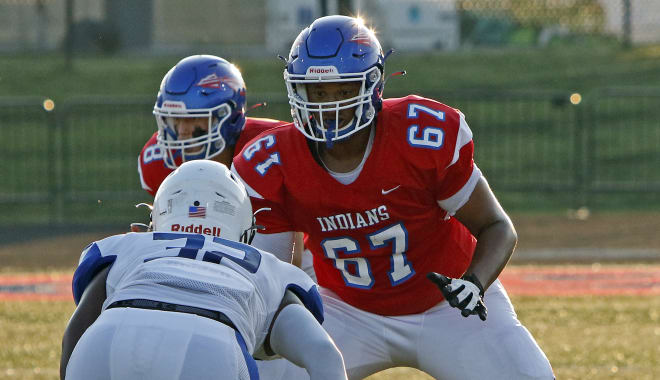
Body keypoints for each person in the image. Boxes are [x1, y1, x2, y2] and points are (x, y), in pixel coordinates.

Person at [231, 15, 555, 379]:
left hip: (447, 304)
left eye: (343, 91)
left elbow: (497, 226)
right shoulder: (272, 163)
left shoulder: (420, 135)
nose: (329, 106)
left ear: (373, 86)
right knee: (257, 372)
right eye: (318, 92)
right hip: (342, 310)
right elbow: (270, 276)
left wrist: (474, 284)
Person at [60, 160, 347, 380]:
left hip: (107, 339)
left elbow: (77, 328)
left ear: (157, 218)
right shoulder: (266, 268)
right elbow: (324, 354)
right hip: (212, 346)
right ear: (246, 230)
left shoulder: (129, 246)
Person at [138, 54, 287, 197]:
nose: (182, 131)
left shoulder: (271, 147)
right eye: (175, 119)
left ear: (228, 117)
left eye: (193, 119)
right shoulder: (157, 161)